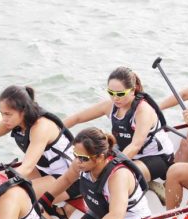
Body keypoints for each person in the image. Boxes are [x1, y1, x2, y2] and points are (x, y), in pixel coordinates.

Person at [0, 85, 80, 208]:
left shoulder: (41, 127)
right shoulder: (14, 121)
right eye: (2, 114)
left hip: (70, 178)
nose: (4, 119)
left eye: (8, 114)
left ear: (23, 111)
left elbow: (27, 167)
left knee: (10, 196)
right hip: (43, 170)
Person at [63, 67, 174, 200]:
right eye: (111, 92)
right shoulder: (110, 106)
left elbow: (135, 145)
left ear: (133, 90)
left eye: (120, 94)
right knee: (85, 167)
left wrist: (110, 167)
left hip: (158, 158)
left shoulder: (143, 111)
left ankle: (148, 184)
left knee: (112, 176)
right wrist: (53, 129)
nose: (115, 98)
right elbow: (77, 118)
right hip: (128, 154)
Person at [38, 127, 151, 219]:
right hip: (99, 212)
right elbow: (66, 179)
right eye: (75, 155)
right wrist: (43, 201)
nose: (77, 161)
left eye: (83, 158)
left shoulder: (118, 175)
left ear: (100, 157)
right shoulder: (80, 163)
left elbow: (116, 218)